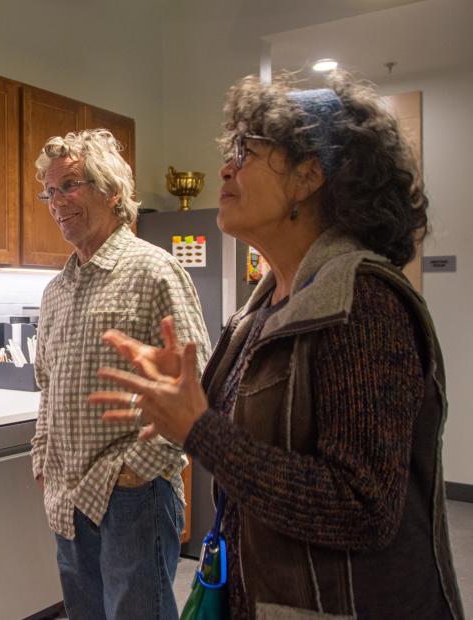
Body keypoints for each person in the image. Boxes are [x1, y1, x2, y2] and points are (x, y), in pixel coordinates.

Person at [90, 72, 464, 619]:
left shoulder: (363, 304)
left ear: (311, 174)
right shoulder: (264, 307)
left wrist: (199, 428)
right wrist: (184, 396)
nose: (224, 167)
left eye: (246, 150)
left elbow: (363, 509)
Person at [31, 129, 211, 619]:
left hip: (133, 497)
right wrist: (43, 459)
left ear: (111, 190)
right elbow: (47, 387)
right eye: (50, 191)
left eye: (69, 186)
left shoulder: (155, 271)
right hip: (67, 496)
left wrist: (136, 472)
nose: (56, 202)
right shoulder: (56, 290)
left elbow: (198, 383)